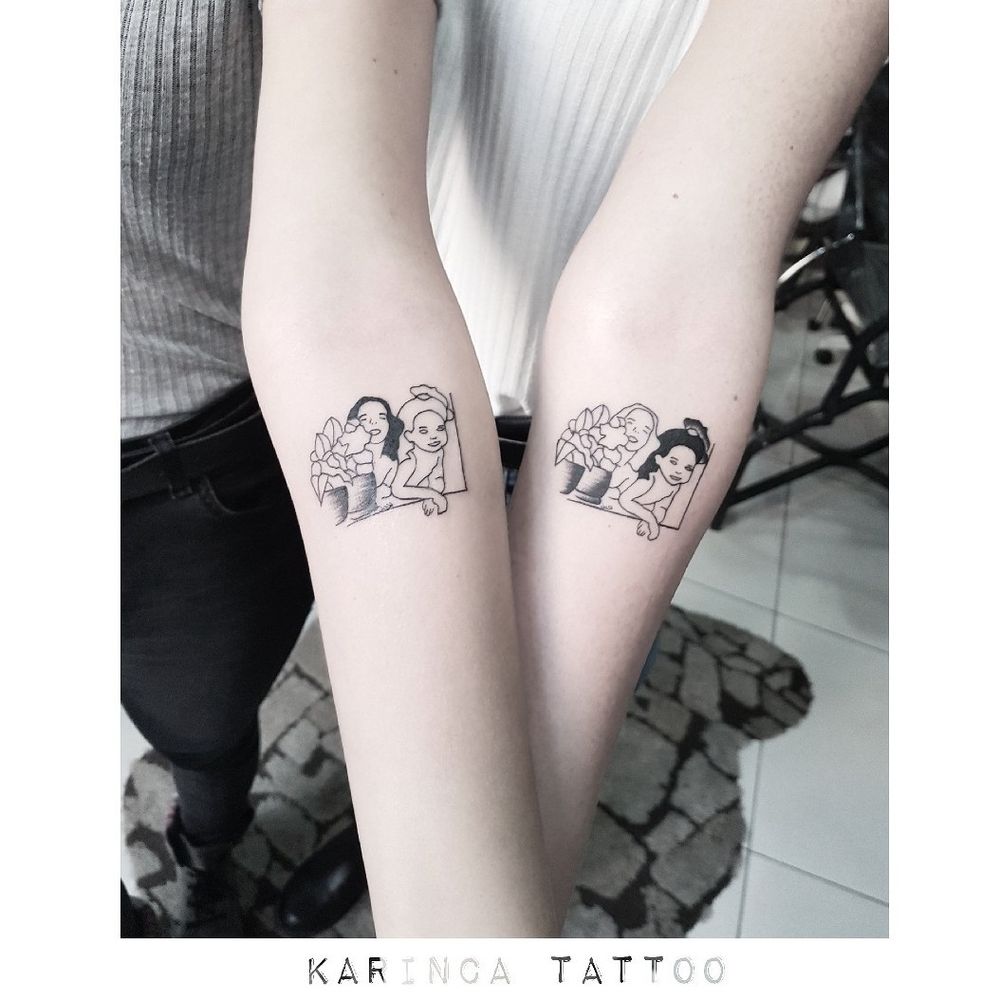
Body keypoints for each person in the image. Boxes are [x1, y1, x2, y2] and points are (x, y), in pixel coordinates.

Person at [122, 0, 889, 937]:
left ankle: (393, 847)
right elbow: (345, 278)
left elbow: (667, 306)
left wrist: (465, 940)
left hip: (587, 408)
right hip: (412, 333)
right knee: (416, 707)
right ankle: (388, 836)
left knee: (544, 711)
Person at [617, 421, 711, 540]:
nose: (679, 471)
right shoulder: (649, 478)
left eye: (688, 468)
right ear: (658, 459)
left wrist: (651, 522)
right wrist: (650, 519)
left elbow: (661, 508)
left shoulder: (674, 486)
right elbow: (624, 500)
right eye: (673, 462)